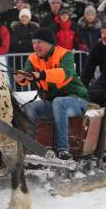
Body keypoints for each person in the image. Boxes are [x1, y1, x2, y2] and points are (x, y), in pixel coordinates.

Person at [14, 28, 89, 160]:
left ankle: (62, 149)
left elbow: (64, 74)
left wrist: (41, 75)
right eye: (34, 42)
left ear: (50, 43)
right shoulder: (32, 58)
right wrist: (22, 77)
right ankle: (30, 147)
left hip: (76, 101)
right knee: (29, 108)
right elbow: (27, 75)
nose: (36, 45)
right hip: (52, 102)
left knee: (59, 102)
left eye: (39, 42)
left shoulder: (65, 54)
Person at [8, 8, 39, 90]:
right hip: (18, 58)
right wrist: (27, 43)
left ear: (29, 18)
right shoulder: (14, 28)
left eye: (26, 17)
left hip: (31, 58)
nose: (24, 19)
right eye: (22, 17)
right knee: (20, 76)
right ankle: (18, 91)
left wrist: (22, 42)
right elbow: (14, 42)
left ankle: (33, 91)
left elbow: (35, 41)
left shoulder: (34, 28)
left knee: (32, 75)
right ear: (20, 18)